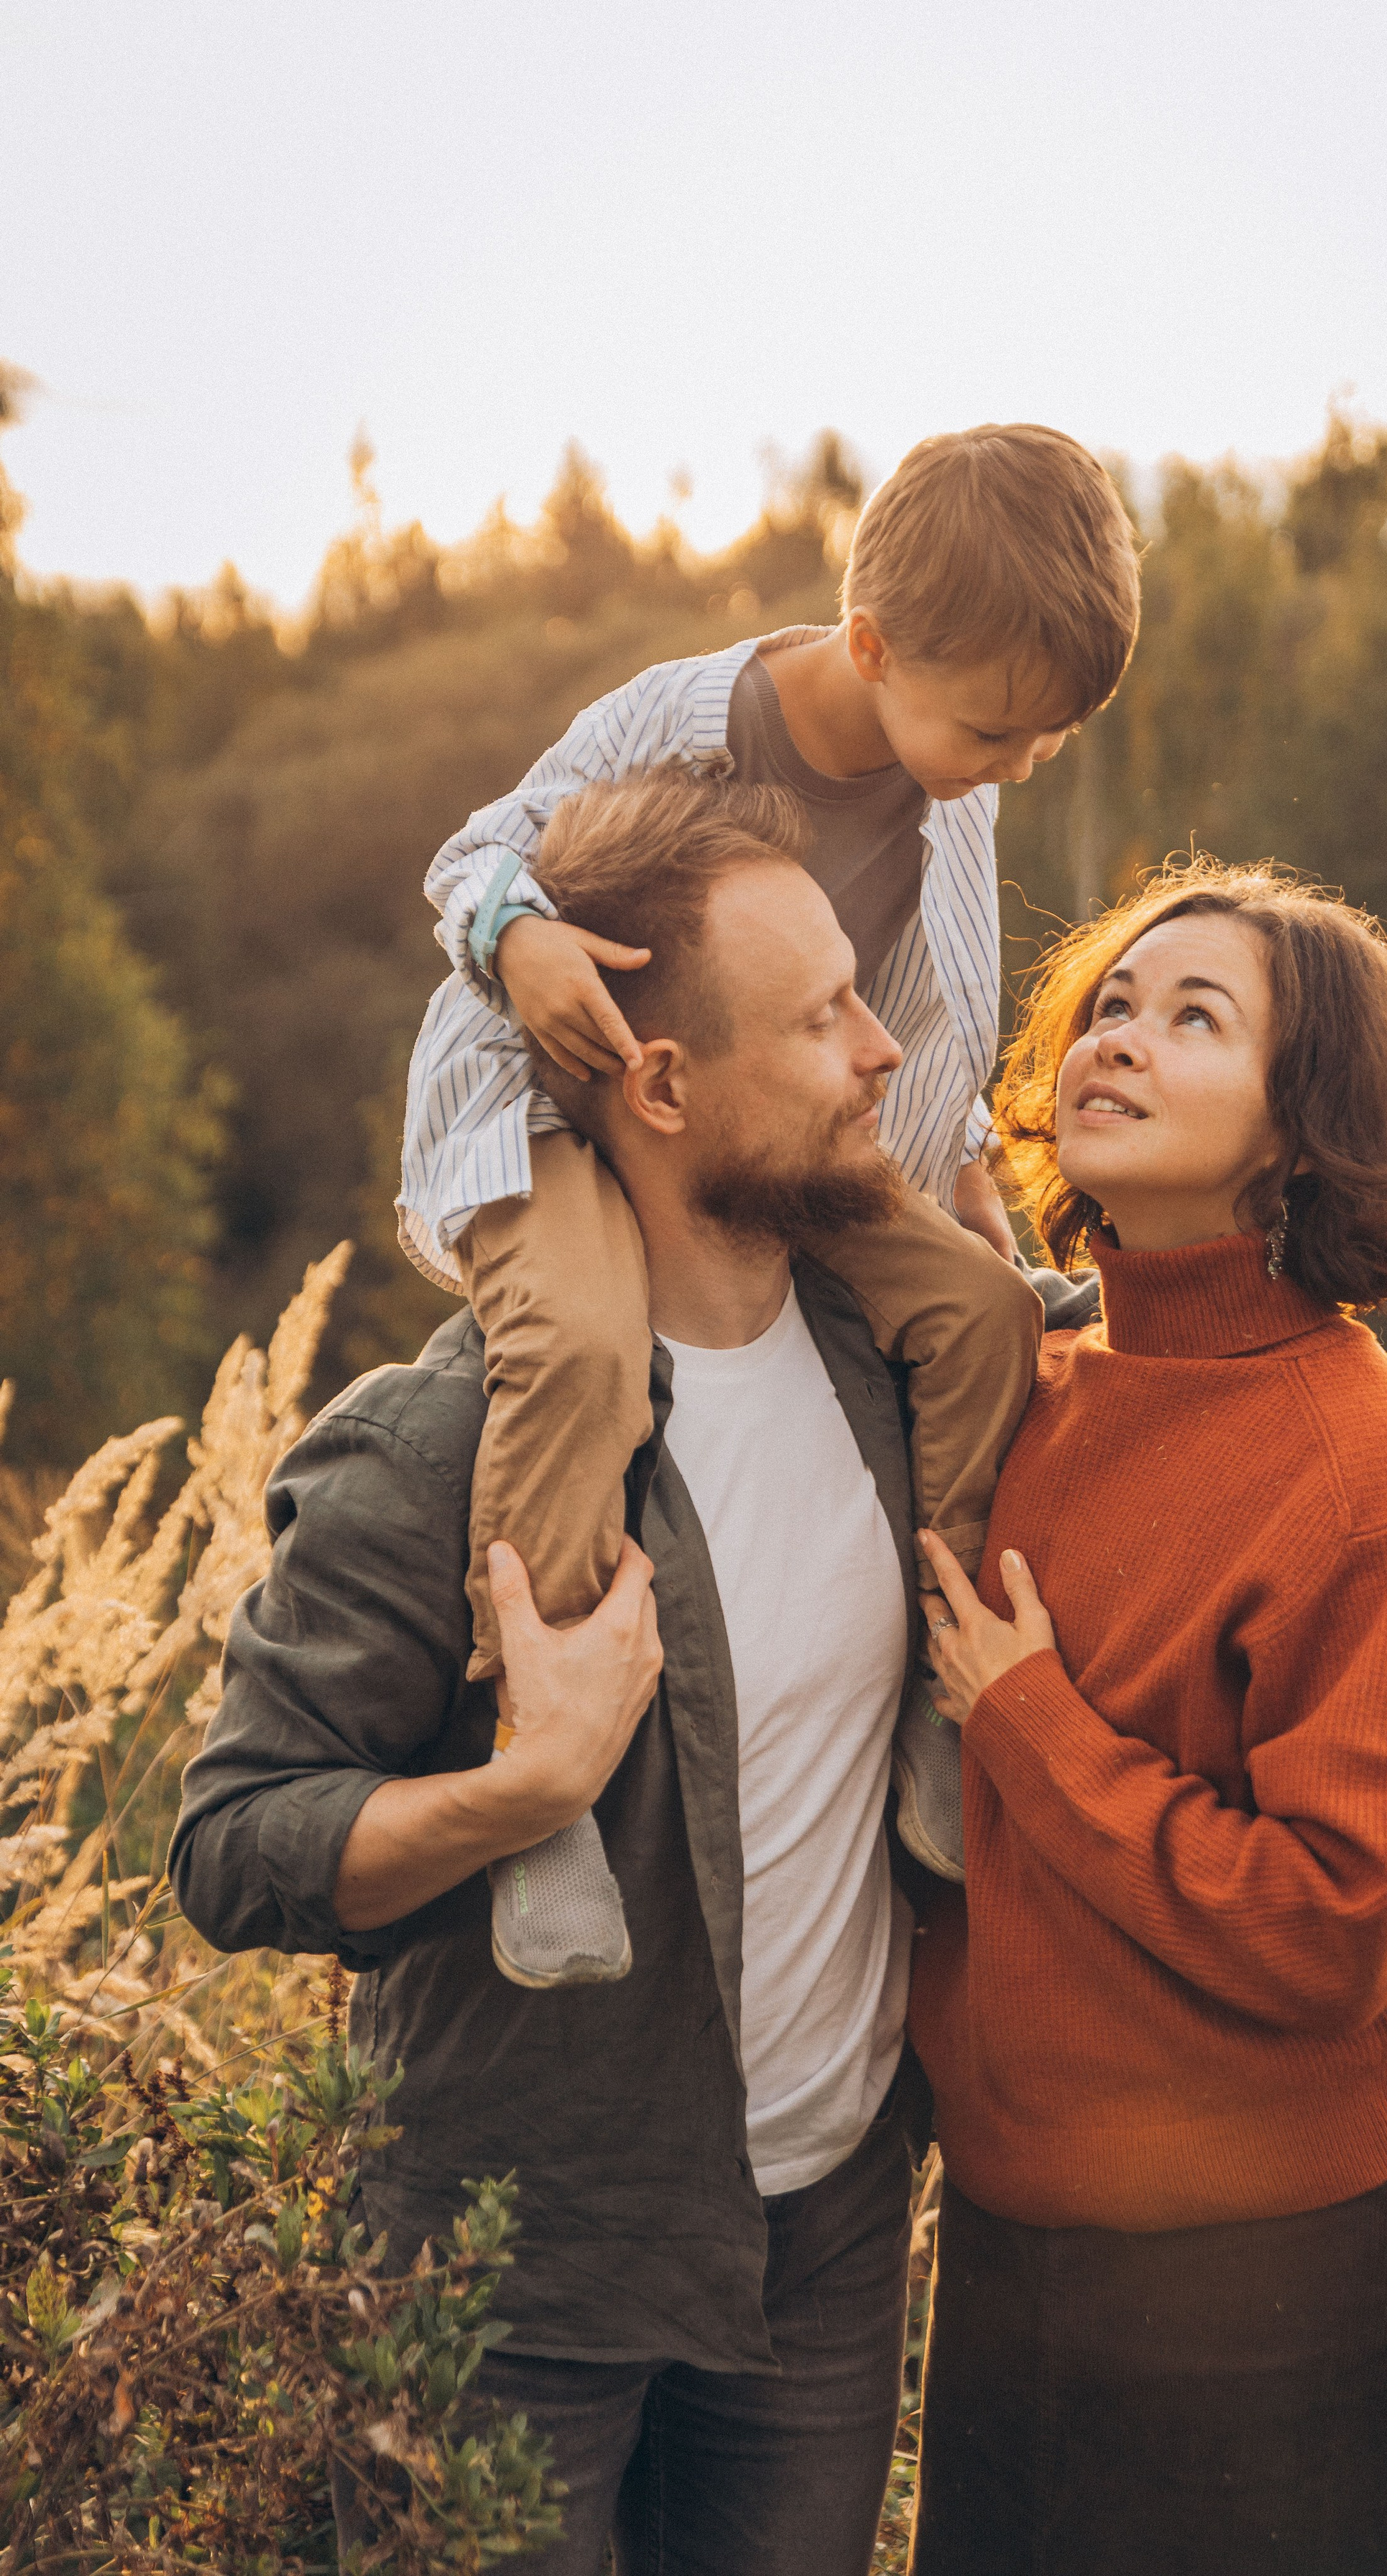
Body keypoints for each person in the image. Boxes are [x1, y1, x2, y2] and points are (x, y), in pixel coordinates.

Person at [172, 776, 946, 2576]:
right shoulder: (438, 1446)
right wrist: (523, 1790)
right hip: (512, 2277)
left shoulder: (893, 1368)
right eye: (820, 1018)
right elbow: (234, 1845)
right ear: (659, 1085)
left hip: (821, 2251)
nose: (883, 1050)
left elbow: (1175, 1381)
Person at [399, 423, 1138, 1987]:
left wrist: (962, 1185)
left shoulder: (951, 784)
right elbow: (473, 851)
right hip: (562, 1102)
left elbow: (923, 1013)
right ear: (870, 648)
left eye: (1047, 740)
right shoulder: (678, 723)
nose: (1019, 764)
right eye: (999, 730)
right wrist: (520, 939)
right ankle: (542, 1753)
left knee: (980, 1311)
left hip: (781, 1118)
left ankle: (938, 1697)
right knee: (579, 1348)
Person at [906, 860, 1387, 2576]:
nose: (1116, 1039)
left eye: (1193, 1018)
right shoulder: (1031, 1384)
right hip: (1023, 2248)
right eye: (1110, 1004)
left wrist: (1031, 1726)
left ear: (1301, 1130)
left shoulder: (1359, 1468)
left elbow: (1340, 1922)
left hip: (1290, 2277)